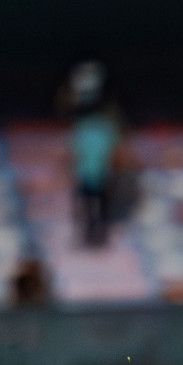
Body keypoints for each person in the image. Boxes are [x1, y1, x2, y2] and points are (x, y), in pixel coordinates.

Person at [61, 61, 120, 248]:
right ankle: (90, 235)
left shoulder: (102, 127)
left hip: (98, 174)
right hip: (88, 173)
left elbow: (112, 152)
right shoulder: (85, 129)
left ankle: (98, 235)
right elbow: (74, 153)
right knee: (87, 205)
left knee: (98, 206)